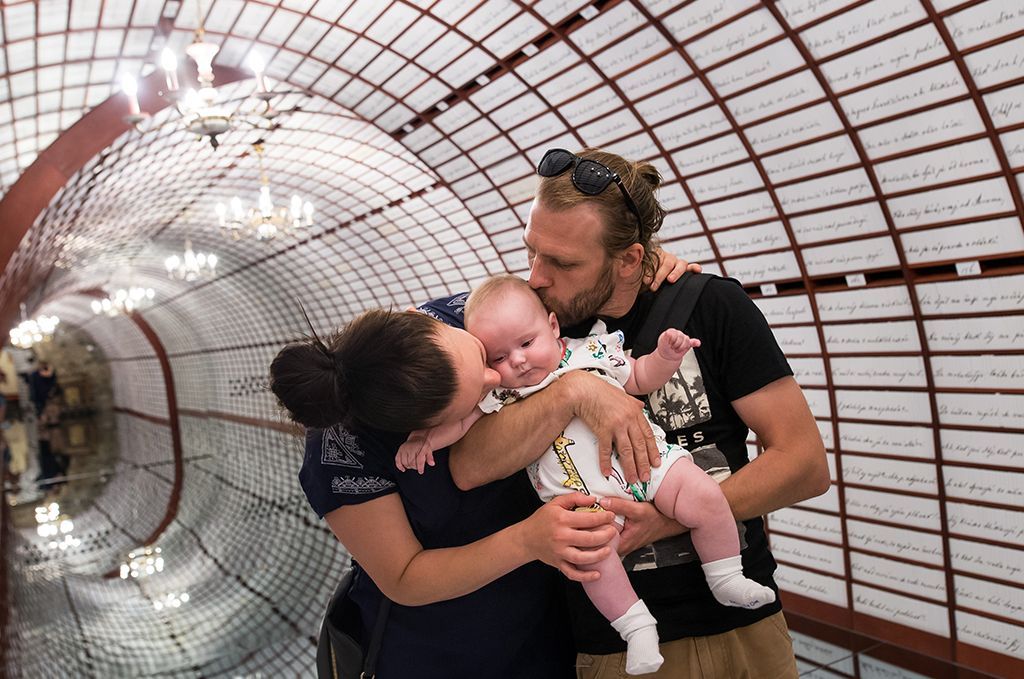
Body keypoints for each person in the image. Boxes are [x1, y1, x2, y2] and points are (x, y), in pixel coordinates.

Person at [448, 148, 829, 679]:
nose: (536, 277)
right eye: (532, 251)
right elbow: (468, 466)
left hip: (746, 626)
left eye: (562, 262)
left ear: (629, 259)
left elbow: (805, 464)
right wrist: (573, 390)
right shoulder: (525, 336)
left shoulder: (710, 306)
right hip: (619, 649)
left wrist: (664, 520)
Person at [397, 275, 776, 675]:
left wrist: (666, 356)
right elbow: (460, 425)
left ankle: (726, 575)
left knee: (705, 494)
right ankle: (635, 627)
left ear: (553, 326)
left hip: (650, 465)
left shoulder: (592, 350)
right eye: (499, 358)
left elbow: (641, 376)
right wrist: (424, 439)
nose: (518, 361)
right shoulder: (498, 392)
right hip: (583, 499)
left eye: (526, 344)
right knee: (593, 561)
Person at [269, 307, 620, 678]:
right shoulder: (339, 451)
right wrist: (526, 541)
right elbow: (404, 576)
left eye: (484, 358)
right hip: (442, 652)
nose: (495, 376)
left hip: (549, 624)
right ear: (419, 433)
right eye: (479, 392)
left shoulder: (466, 312)